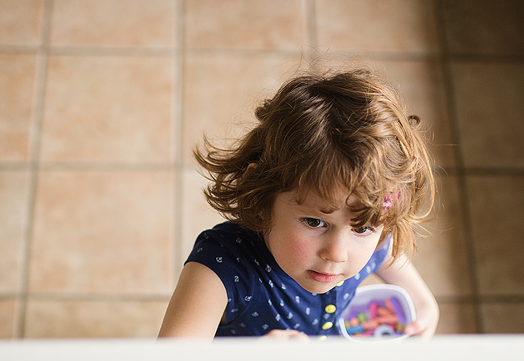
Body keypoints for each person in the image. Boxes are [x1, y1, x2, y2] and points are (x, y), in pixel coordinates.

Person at [159, 68, 439, 340]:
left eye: (363, 227)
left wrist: (425, 306)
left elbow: (393, 258)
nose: (337, 254)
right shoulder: (221, 267)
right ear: (262, 198)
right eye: (315, 222)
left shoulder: (373, 241)